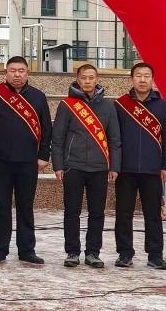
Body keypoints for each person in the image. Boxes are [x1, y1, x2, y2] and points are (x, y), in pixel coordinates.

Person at [51, 63, 121, 269]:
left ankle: (93, 252)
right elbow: (58, 138)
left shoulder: (108, 106)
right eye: (84, 78)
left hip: (99, 168)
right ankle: (72, 252)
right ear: (77, 80)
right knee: (72, 211)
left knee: (97, 212)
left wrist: (114, 166)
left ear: (97, 79)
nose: (88, 81)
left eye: (91, 78)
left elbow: (115, 139)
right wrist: (58, 165)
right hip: (73, 166)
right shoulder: (67, 105)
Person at [0, 56, 51, 265]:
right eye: (12, 70)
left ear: (27, 73)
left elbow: (46, 129)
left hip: (28, 161)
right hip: (0, 160)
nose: (17, 75)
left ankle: (27, 250)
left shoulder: (38, 97)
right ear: (6, 72)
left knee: (25, 206)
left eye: (21, 71)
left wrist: (43, 155)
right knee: (1, 206)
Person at [112, 62, 166, 270]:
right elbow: (114, 138)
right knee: (123, 213)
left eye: (146, 76)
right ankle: (124, 253)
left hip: (153, 169)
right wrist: (115, 166)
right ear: (131, 79)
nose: (142, 79)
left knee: (153, 214)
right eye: (138, 75)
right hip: (125, 169)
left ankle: (155, 255)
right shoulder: (121, 105)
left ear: (152, 80)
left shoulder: (163, 106)